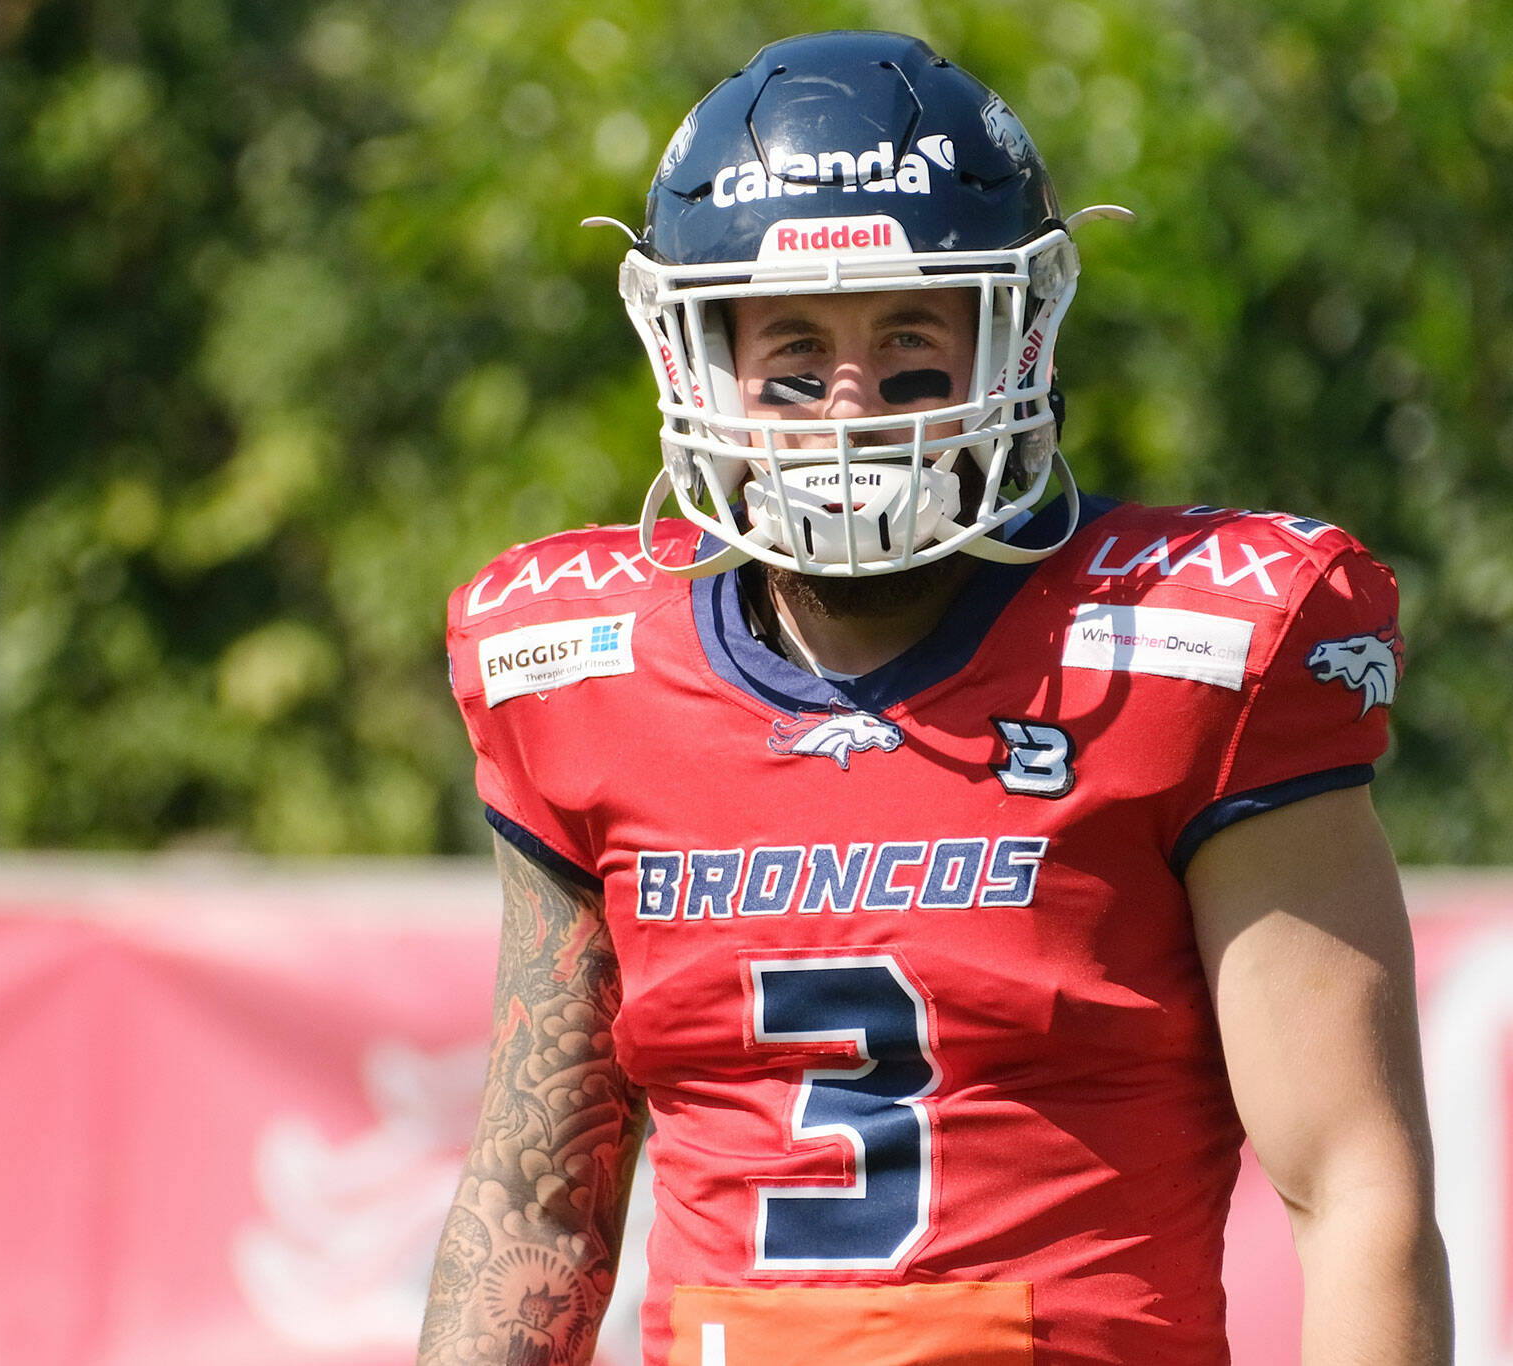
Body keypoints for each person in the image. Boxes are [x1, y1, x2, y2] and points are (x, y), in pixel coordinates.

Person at [420, 29, 1451, 1366]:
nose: (853, 406)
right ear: (696, 359)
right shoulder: (581, 673)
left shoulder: (1191, 650)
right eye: (794, 353)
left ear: (1014, 335)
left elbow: (1358, 1190)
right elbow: (540, 1212)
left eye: (913, 340)